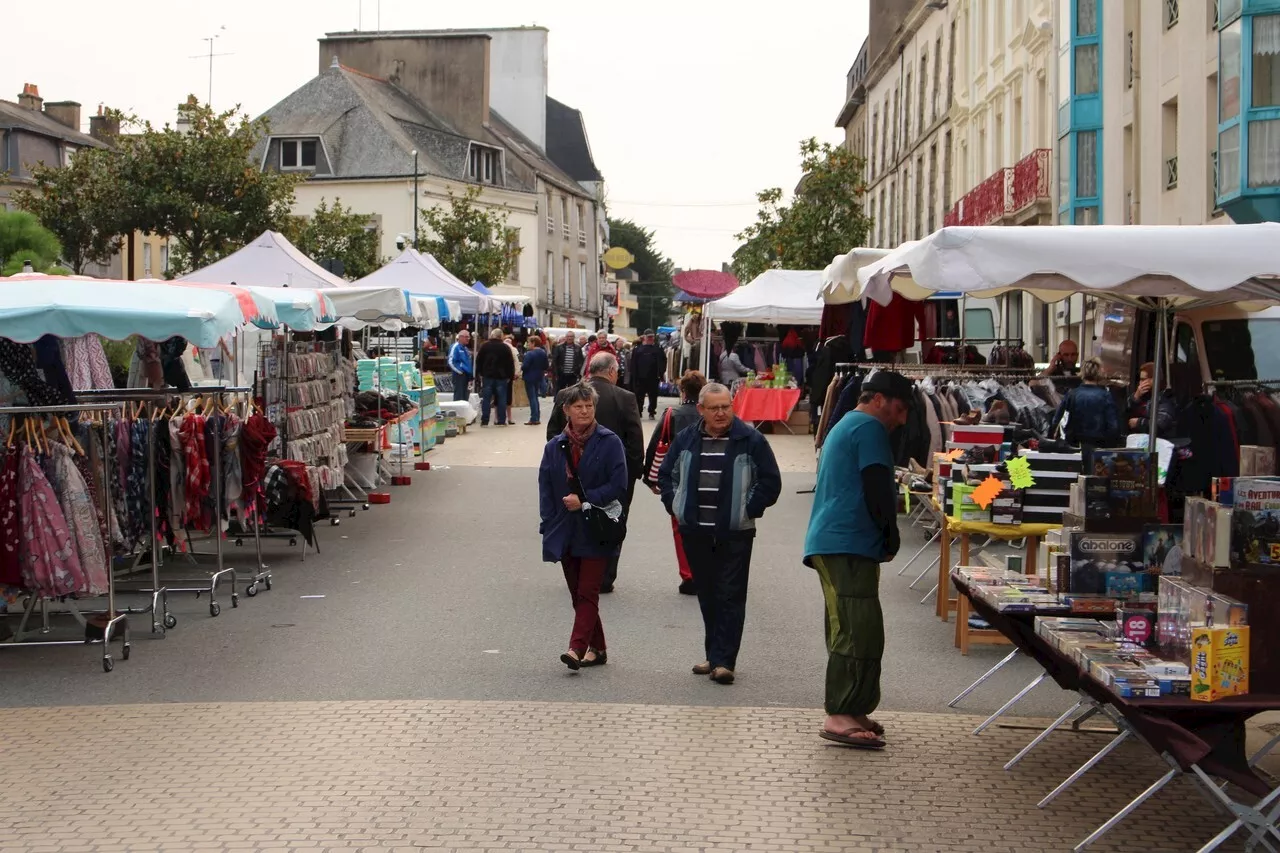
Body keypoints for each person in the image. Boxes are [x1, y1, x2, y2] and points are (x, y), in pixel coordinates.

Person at [803, 370, 914, 750]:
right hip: (845, 542)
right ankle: (840, 713)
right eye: (900, 409)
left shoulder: (848, 423)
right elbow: (877, 487)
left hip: (842, 541)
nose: (901, 419)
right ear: (880, 399)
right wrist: (891, 534)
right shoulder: (867, 428)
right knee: (853, 627)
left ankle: (854, 708)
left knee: (859, 625)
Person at [658, 382, 782, 685]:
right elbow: (666, 474)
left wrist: (748, 508)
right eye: (714, 408)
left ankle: (725, 661)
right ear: (701, 409)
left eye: (726, 406)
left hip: (734, 531)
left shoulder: (750, 439)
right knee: (708, 594)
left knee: (730, 594)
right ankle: (713, 654)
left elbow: (770, 481)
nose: (721, 413)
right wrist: (676, 505)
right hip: (695, 530)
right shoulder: (687, 438)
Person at [538, 382, 629, 670]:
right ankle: (598, 648)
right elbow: (545, 486)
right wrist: (548, 521)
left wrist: (586, 499)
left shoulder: (609, 441)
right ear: (566, 410)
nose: (585, 410)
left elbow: (619, 484)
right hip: (565, 529)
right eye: (579, 406)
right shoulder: (555, 446)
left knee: (588, 591)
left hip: (596, 527)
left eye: (589, 405)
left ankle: (576, 648)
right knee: (578, 592)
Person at [548, 353, 644, 593]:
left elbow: (552, 434)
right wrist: (631, 474)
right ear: (612, 371)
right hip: (613, 475)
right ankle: (604, 577)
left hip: (573, 472)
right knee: (612, 520)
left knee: (575, 519)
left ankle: (579, 571)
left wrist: (561, 467)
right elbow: (634, 440)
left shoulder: (565, 395)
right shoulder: (625, 397)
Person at [643, 370, 706, 596]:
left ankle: (689, 575)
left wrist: (650, 478)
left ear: (682, 390)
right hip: (709, 476)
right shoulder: (710, 414)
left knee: (681, 528)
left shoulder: (673, 413)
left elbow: (655, 444)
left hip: (679, 479)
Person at [1051, 357, 1122, 451]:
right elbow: (1113, 426)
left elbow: (1057, 420)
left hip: (1073, 445)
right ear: (1099, 373)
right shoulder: (1106, 396)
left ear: (1083, 373)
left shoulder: (1072, 394)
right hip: (1098, 446)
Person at [475, 329, 514, 427]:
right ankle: (501, 420)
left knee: (486, 399)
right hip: (502, 377)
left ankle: (485, 420)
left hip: (487, 376)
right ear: (501, 336)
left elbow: (478, 360)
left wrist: (479, 373)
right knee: (502, 399)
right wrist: (510, 376)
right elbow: (510, 363)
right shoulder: (505, 348)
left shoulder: (485, 346)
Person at [1127, 361, 1176, 437]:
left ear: (1154, 379)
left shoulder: (1165, 399)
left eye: (1143, 379)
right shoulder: (1142, 396)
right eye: (1140, 380)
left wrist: (1139, 422)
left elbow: (1160, 425)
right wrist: (1135, 397)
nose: (1140, 383)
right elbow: (1124, 415)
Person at [631, 329, 667, 420]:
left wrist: (661, 372)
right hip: (640, 377)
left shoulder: (658, 348)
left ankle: (652, 412)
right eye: (649, 337)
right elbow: (633, 363)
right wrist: (634, 376)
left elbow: (664, 360)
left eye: (652, 337)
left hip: (654, 377)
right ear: (644, 337)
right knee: (639, 396)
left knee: (653, 396)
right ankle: (639, 412)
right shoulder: (637, 349)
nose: (651, 338)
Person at [522, 335, 549, 426]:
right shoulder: (543, 352)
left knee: (532, 398)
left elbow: (524, 366)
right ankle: (537, 417)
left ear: (533, 343)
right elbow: (546, 366)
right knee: (535, 398)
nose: (528, 344)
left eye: (529, 342)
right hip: (539, 377)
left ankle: (533, 418)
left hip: (529, 377)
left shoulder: (529, 354)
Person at [447, 331, 473, 402]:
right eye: (466, 337)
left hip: (467, 376)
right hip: (459, 376)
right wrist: (459, 371)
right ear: (460, 337)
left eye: (469, 337)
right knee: (459, 396)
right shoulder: (455, 347)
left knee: (465, 396)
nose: (468, 339)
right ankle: (457, 412)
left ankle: (464, 412)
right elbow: (450, 361)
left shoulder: (466, 349)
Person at [504, 335, 522, 425]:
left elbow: (517, 362)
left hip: (505, 376)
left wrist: (516, 372)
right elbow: (517, 362)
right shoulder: (513, 350)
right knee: (507, 397)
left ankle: (501, 417)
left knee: (503, 397)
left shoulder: (513, 350)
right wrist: (517, 373)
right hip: (508, 376)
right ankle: (508, 417)